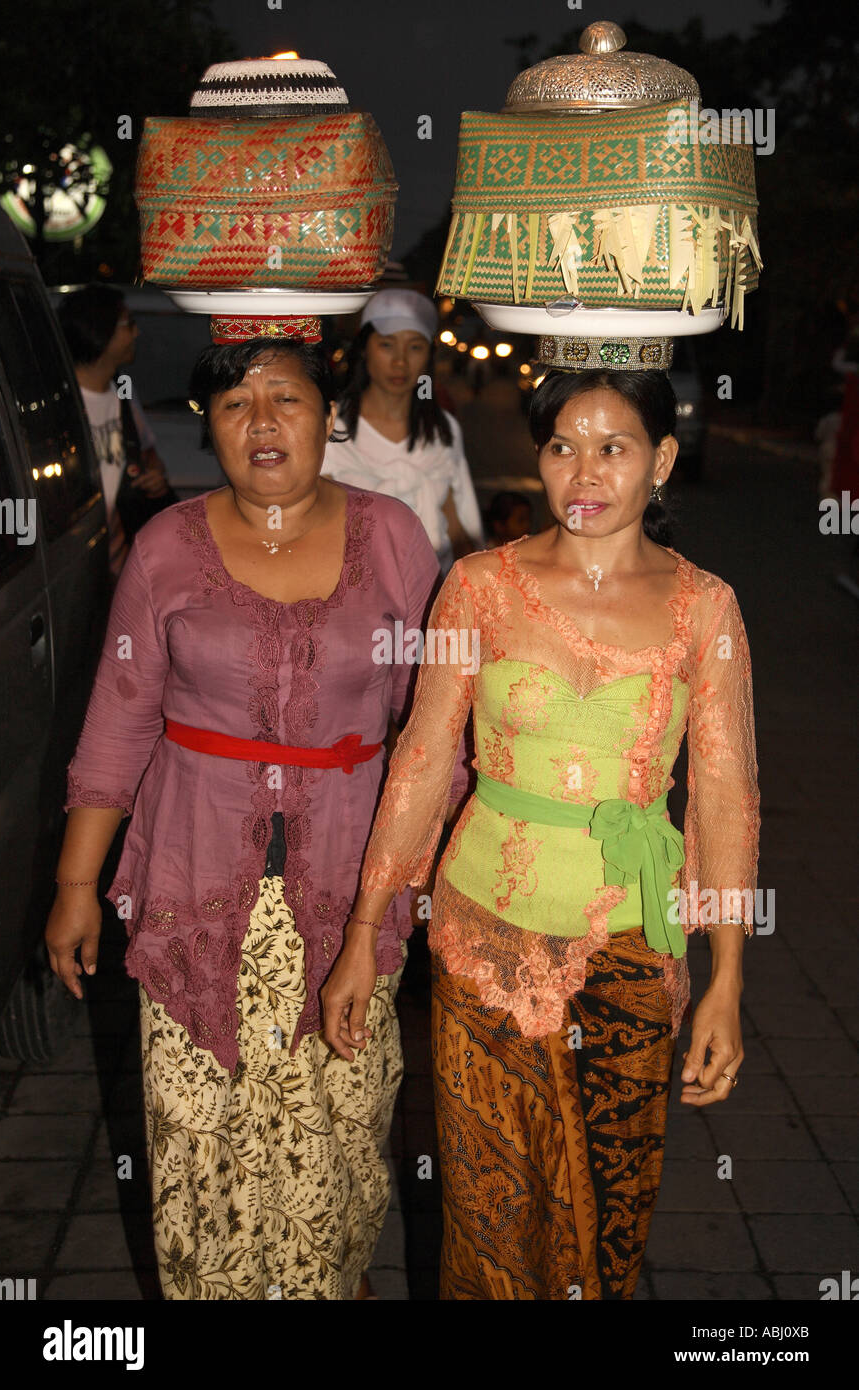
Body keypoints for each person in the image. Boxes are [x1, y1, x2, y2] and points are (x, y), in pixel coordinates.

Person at [322, 365, 761, 1300]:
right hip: (485, 934)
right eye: (563, 447)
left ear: (663, 460)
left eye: (615, 447)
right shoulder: (479, 587)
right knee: (487, 1213)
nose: (585, 472)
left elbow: (725, 794)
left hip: (634, 947)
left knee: (608, 1216)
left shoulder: (706, 606)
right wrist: (366, 932)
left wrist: (728, 978)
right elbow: (423, 763)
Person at [44, 336, 446, 1301]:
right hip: (192, 892)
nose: (262, 423)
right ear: (207, 428)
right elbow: (120, 716)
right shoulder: (166, 545)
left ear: (330, 416)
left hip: (348, 903)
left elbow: (437, 727)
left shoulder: (391, 538)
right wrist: (73, 886)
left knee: (335, 1143)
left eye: (288, 400)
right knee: (198, 1146)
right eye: (235, 405)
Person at [322, 288, 485, 574]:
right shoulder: (331, 430)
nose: (400, 361)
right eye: (387, 345)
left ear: (429, 356)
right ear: (364, 348)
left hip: (434, 590)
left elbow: (460, 525)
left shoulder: (442, 431)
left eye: (415, 346)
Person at [58, 284, 177, 579]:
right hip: (72, 568)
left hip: (117, 565)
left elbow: (147, 454)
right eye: (129, 324)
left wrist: (154, 477)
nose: (136, 333)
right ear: (99, 330)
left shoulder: (123, 393)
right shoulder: (59, 403)